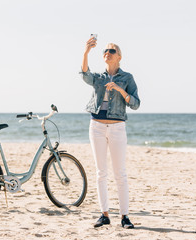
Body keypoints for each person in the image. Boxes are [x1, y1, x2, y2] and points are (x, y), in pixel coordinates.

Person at [80, 36, 140, 228]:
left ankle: (125, 217)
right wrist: (86, 51)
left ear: (119, 56)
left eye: (111, 51)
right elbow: (84, 74)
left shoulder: (127, 78)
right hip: (96, 126)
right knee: (100, 173)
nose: (107, 53)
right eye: (105, 51)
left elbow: (136, 103)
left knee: (120, 173)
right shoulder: (99, 77)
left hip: (117, 127)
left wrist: (120, 91)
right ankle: (104, 214)